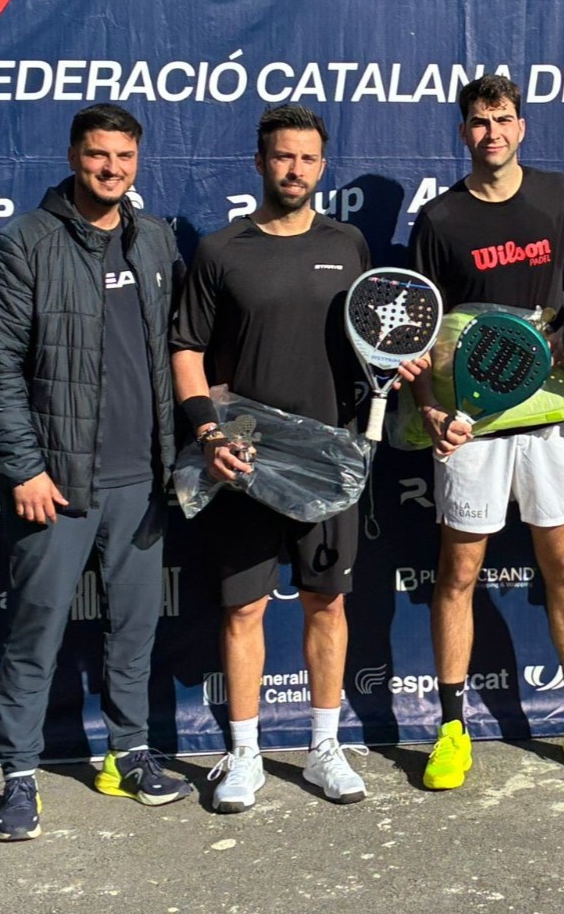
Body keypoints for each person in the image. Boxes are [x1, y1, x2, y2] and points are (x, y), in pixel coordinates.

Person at [171, 104, 404, 812]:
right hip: (244, 457)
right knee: (243, 609)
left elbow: (375, 341)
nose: (294, 169)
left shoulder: (350, 244)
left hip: (329, 460)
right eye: (282, 156)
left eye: (306, 158)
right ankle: (243, 754)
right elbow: (187, 350)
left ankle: (325, 747)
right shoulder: (221, 250)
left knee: (326, 603)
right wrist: (210, 436)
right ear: (260, 163)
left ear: (321, 167)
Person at [0, 104, 191, 843]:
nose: (111, 169)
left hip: (143, 481)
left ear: (138, 161)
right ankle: (19, 776)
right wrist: (24, 468)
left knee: (134, 630)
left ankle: (129, 754)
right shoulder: (24, 243)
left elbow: (176, 353)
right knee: (35, 633)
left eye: (124, 157)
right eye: (99, 155)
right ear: (73, 156)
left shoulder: (154, 238)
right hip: (56, 484)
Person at [408, 74, 564, 790]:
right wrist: (430, 411)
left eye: (503, 119)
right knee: (458, 573)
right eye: (479, 121)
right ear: (463, 132)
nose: (492, 132)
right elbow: (419, 331)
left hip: (550, 418)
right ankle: (451, 729)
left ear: (522, 127)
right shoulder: (439, 219)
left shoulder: (557, 196)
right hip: (469, 424)